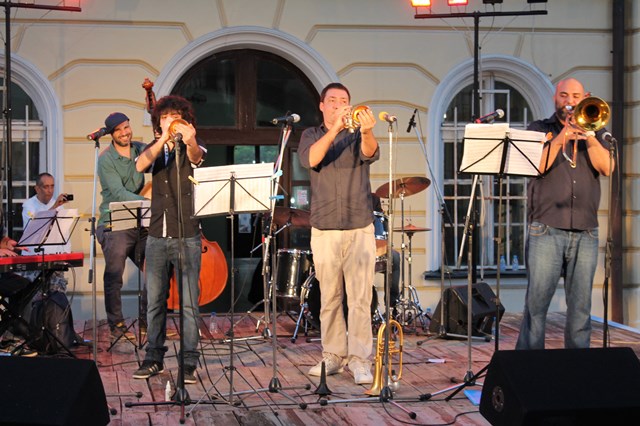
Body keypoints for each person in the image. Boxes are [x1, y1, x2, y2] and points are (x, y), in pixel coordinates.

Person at [516, 78, 614, 350]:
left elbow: (607, 168)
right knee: (536, 305)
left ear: (585, 97)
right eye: (564, 95)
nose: (569, 101)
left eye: (575, 96)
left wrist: (589, 136)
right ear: (555, 98)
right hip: (546, 228)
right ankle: (528, 366)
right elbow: (536, 166)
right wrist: (563, 137)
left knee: (581, 308)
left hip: (586, 230)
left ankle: (578, 367)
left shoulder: (597, 130)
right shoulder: (540, 128)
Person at [299, 82, 379, 385]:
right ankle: (332, 355)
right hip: (325, 226)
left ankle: (360, 360)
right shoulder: (311, 134)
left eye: (343, 100)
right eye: (332, 100)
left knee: (360, 298)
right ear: (322, 106)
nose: (338, 105)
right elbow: (311, 159)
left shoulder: (359, 134)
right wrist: (335, 128)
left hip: (359, 225)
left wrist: (366, 130)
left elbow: (370, 152)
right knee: (330, 296)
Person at [132, 95, 206, 384]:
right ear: (158, 123)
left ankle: (188, 363)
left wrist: (189, 139)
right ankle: (153, 358)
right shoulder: (155, 148)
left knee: (188, 305)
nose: (170, 121)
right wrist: (163, 138)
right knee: (154, 302)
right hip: (156, 236)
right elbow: (140, 166)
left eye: (175, 116)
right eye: (164, 117)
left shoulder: (194, 145)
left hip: (187, 235)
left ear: (186, 120)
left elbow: (196, 157)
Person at [96, 112, 149, 343]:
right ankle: (116, 325)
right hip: (114, 221)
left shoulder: (140, 149)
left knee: (157, 266)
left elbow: (159, 158)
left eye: (126, 127)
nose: (124, 133)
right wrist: (149, 202)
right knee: (114, 273)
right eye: (118, 130)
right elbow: (118, 193)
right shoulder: (106, 159)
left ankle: (148, 321)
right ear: (111, 134)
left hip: (140, 219)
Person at [21, 172, 72, 292]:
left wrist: (67, 253)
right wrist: (54, 207)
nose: (50, 190)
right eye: (46, 187)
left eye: (52, 186)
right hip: (33, 260)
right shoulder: (28, 205)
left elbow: (64, 233)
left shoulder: (59, 206)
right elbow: (36, 227)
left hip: (54, 260)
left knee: (56, 297)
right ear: (37, 189)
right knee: (34, 297)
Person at [372, 193, 400, 314]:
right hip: (356, 248)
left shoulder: (374, 199)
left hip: (377, 248)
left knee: (395, 257)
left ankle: (392, 306)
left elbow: (381, 223)